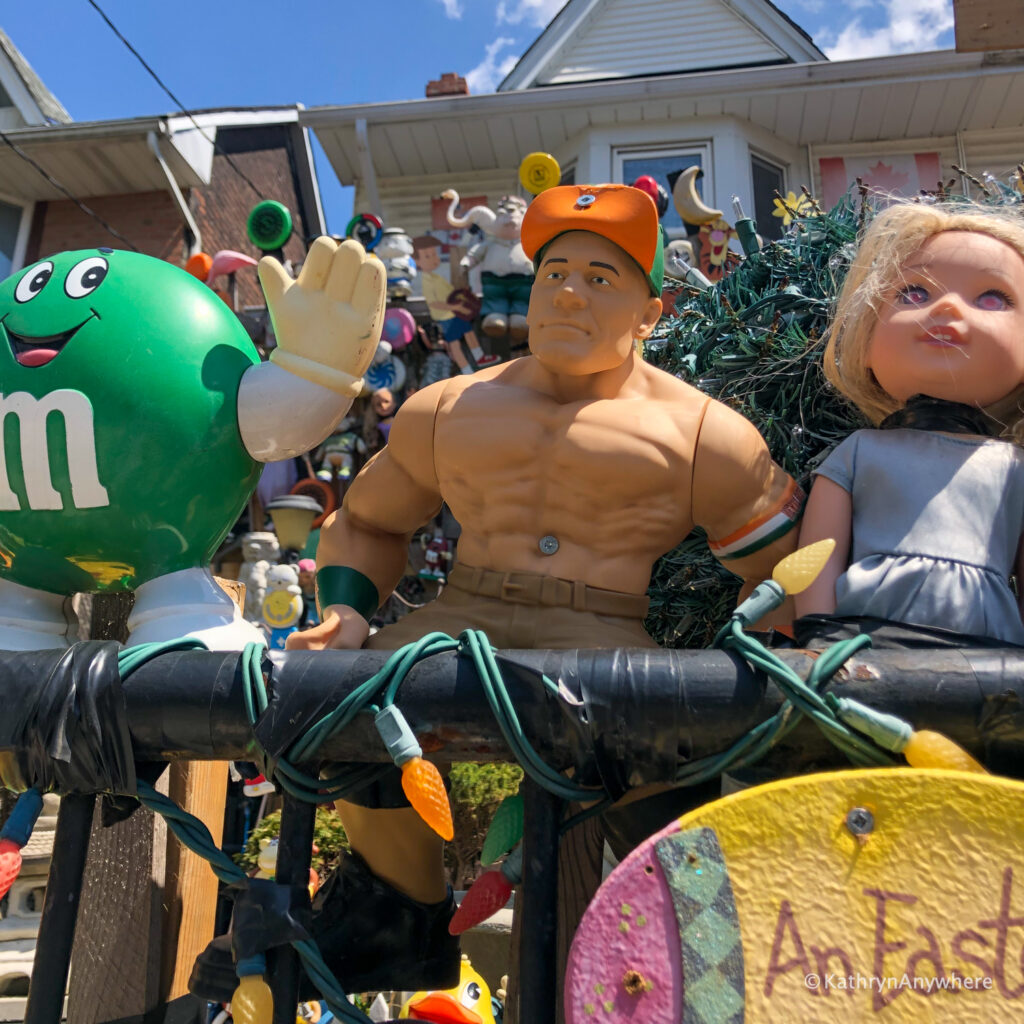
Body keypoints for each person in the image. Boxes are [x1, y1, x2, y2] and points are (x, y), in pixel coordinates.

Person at [194, 185, 803, 1000]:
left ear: (649, 315)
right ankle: (396, 912)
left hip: (608, 637)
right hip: (459, 619)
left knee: (681, 749)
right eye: (554, 271)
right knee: (316, 699)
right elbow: (370, 524)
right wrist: (344, 609)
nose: (567, 292)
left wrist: (770, 647)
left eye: (599, 277)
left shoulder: (703, 432)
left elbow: (781, 567)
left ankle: (693, 945)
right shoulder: (450, 405)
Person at [795, 201, 1024, 648]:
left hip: (989, 655)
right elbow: (819, 551)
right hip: (864, 638)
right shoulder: (860, 451)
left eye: (992, 298)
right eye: (914, 293)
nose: (949, 309)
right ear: (864, 341)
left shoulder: (1015, 468)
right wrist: (816, 630)